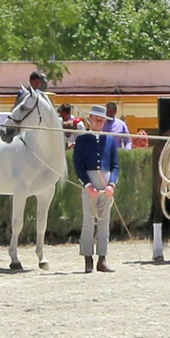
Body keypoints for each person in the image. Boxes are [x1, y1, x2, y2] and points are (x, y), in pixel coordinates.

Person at [74, 104, 120, 274]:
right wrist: (87, 185)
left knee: (104, 223)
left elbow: (115, 165)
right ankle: (88, 259)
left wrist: (112, 184)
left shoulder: (109, 139)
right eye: (97, 119)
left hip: (106, 184)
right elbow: (78, 165)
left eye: (102, 120)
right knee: (88, 222)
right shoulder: (82, 139)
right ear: (90, 120)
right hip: (89, 184)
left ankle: (102, 259)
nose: (100, 122)